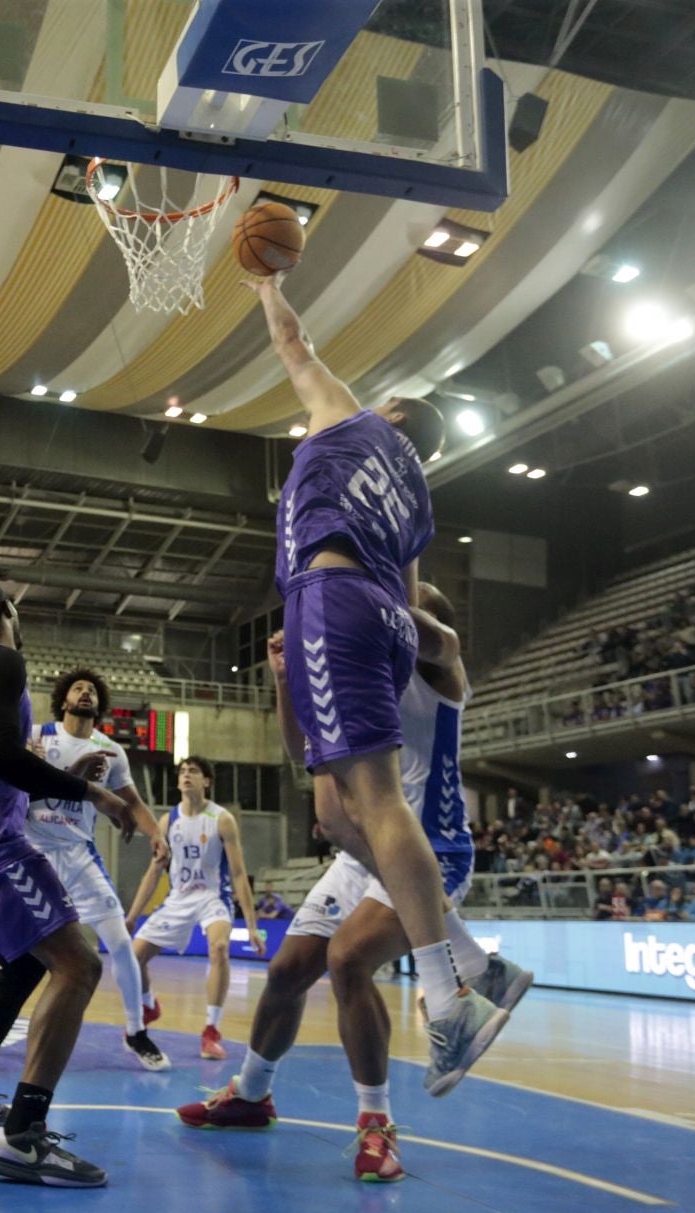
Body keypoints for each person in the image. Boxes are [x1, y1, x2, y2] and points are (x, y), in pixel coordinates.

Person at [245, 270, 503, 1091]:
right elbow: (404, 597)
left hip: (335, 596)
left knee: (373, 805)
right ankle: (463, 963)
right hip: (378, 616)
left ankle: (449, 994)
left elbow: (293, 345)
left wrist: (267, 282)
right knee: (334, 804)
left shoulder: (354, 420)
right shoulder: (417, 503)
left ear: (388, 414)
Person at [178, 591, 532, 1180]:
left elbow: (442, 639)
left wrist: (367, 600)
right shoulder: (360, 679)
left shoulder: (440, 668)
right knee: (290, 969)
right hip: (360, 852)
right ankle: (251, 1093)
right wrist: (285, 676)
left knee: (347, 961)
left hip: (430, 848)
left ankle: (377, 1126)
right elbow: (301, 750)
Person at [0, 570, 161, 1189]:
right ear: (4, 609)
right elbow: (2, 758)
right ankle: (22, 1137)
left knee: (26, 963)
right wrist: (94, 794)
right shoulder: (3, 660)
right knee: (80, 966)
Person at [22, 668, 171, 1071]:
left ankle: (136, 1031)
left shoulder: (111, 751)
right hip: (33, 850)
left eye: (91, 690)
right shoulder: (37, 736)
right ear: (63, 700)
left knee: (121, 943)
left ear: (99, 705)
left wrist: (156, 835)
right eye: (77, 688)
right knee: (17, 953)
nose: (85, 692)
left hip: (78, 852)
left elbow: (134, 803)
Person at [129, 757, 263, 1061]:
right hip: (178, 898)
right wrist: (132, 916)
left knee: (219, 949)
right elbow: (153, 873)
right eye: (182, 772)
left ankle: (211, 1031)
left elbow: (240, 873)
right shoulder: (167, 821)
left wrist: (252, 926)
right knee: (133, 957)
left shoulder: (222, 819)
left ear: (207, 781)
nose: (186, 775)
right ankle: (149, 1004)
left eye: (194, 771)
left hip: (212, 896)